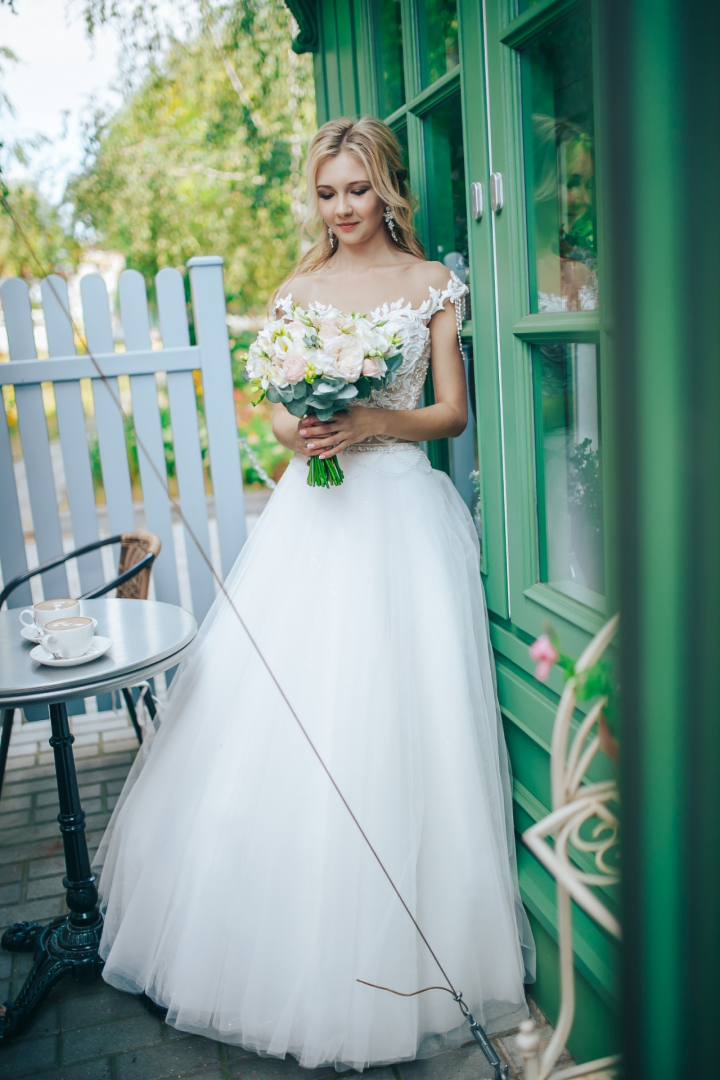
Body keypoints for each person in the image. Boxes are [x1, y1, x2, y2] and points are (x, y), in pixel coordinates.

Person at [95, 116, 535, 1072]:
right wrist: (307, 433)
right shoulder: (298, 288)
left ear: (388, 191)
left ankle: (412, 950)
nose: (341, 209)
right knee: (292, 715)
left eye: (358, 190)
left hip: (402, 522)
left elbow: (450, 412)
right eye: (327, 192)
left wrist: (375, 416)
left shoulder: (431, 286)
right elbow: (286, 421)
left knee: (397, 719)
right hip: (314, 521)